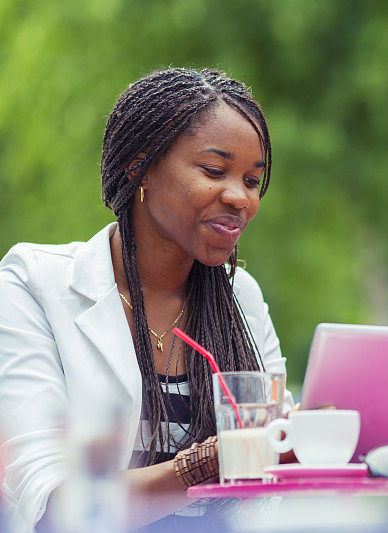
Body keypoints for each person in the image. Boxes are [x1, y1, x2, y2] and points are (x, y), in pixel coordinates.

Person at [0, 68, 293, 532]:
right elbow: (51, 506)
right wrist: (204, 465)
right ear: (141, 168)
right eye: (214, 171)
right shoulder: (34, 284)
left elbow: (276, 476)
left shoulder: (242, 297)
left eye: (253, 181)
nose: (240, 197)